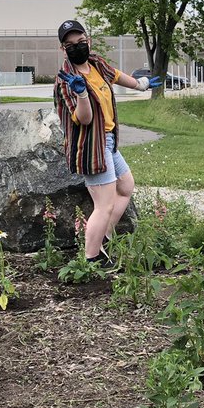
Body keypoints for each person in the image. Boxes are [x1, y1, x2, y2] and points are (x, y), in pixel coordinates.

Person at [52, 19, 161, 263]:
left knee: (125, 187)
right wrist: (81, 93)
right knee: (104, 205)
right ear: (63, 49)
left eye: (81, 41)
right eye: (70, 44)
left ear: (88, 40)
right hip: (91, 147)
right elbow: (85, 119)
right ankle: (91, 258)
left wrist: (140, 85)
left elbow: (116, 75)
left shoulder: (95, 63)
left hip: (108, 141)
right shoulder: (65, 80)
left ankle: (102, 237)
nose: (77, 47)